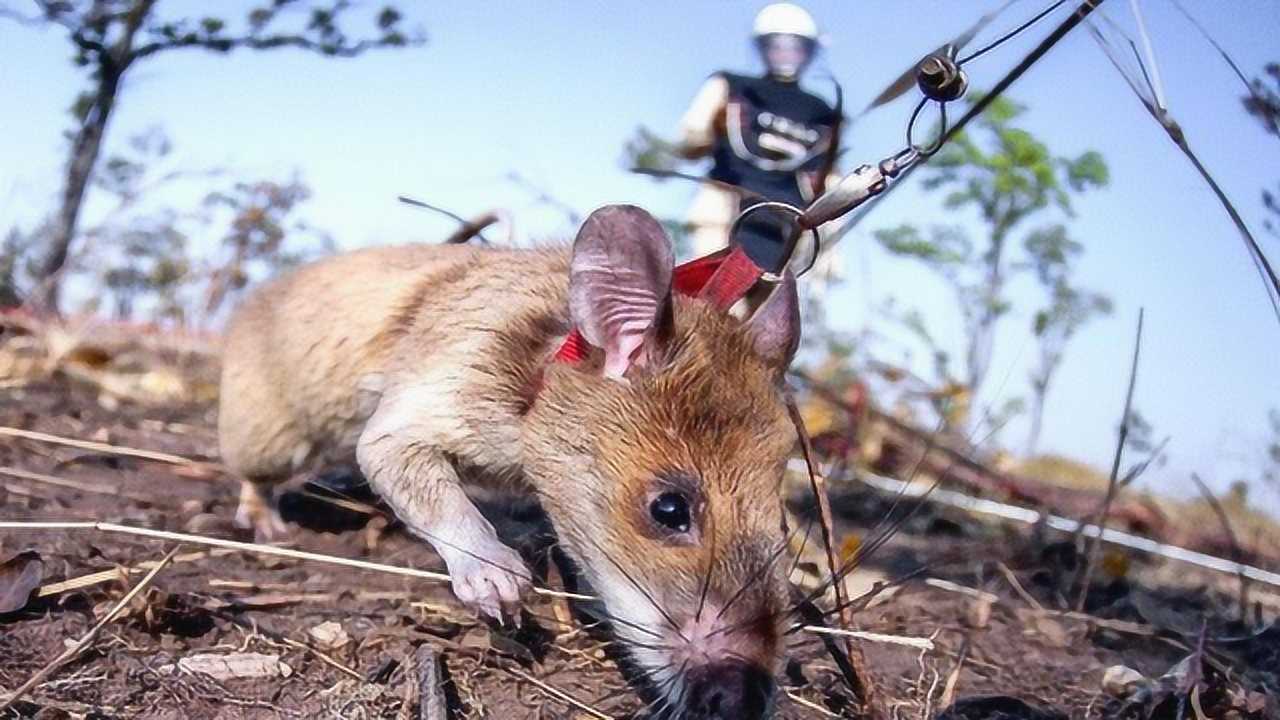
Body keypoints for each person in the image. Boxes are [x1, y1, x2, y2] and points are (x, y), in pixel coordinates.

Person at [676, 3, 843, 275]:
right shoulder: (730, 86)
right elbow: (690, 140)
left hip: (787, 224)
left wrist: (828, 242)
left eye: (795, 46)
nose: (785, 53)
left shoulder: (823, 113)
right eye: (777, 45)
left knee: (772, 311)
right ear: (762, 47)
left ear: (809, 51)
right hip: (724, 211)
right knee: (713, 301)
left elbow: (830, 181)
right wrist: (700, 131)